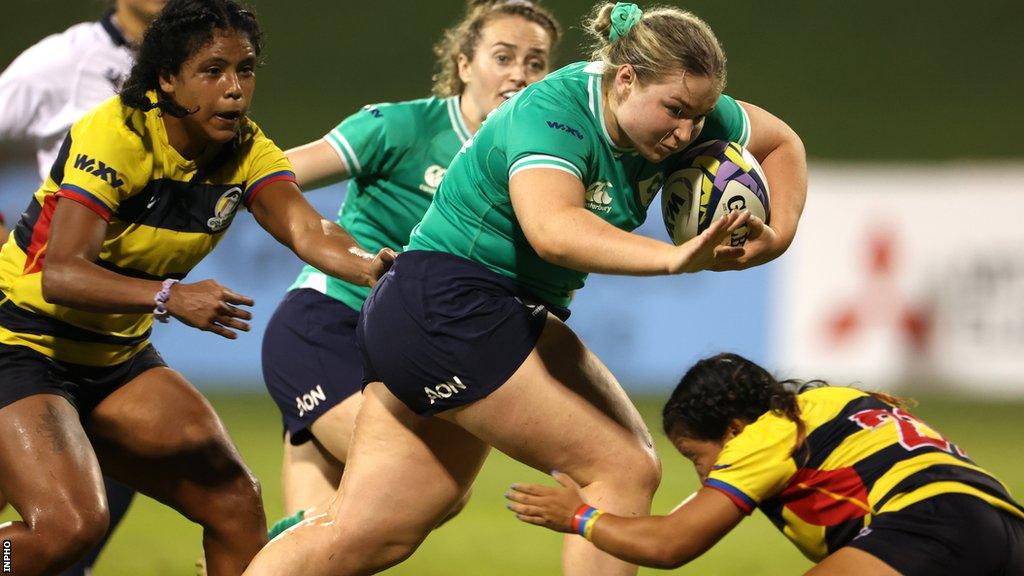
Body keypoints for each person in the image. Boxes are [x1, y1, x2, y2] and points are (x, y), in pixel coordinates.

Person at [244, 2, 807, 575]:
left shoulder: (688, 115)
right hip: (452, 305)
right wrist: (674, 258)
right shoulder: (555, 111)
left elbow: (783, 143)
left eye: (702, 114)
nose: (689, 132)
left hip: (453, 312)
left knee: (365, 535)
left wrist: (778, 235)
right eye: (676, 111)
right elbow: (553, 232)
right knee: (624, 469)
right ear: (626, 78)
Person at [0, 0, 393, 574]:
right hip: (20, 343)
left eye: (246, 69)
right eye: (213, 71)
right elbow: (61, 273)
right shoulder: (116, 134)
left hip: (114, 357)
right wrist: (168, 296)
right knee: (68, 528)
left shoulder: (246, 149)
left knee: (236, 505)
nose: (234, 89)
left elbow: (309, 228)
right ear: (167, 78)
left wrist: (370, 267)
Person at [260, 0, 561, 539]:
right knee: (411, 488)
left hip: (412, 348)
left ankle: (264, 553)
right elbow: (274, 176)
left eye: (536, 62)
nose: (520, 72)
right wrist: (335, 247)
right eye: (503, 56)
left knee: (348, 529)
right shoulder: (400, 127)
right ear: (465, 65)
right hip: (330, 324)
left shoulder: (539, 165)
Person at [506, 353, 1024, 575]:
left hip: (928, 524)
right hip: (1006, 526)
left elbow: (670, 544)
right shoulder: (830, 403)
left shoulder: (765, 436)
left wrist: (577, 517)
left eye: (695, 456)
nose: (702, 472)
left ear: (732, 430)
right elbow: (683, 516)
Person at [0, 1, 167, 573]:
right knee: (61, 520)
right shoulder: (63, 61)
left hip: (113, 330)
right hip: (37, 312)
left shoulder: (200, 63)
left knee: (92, 500)